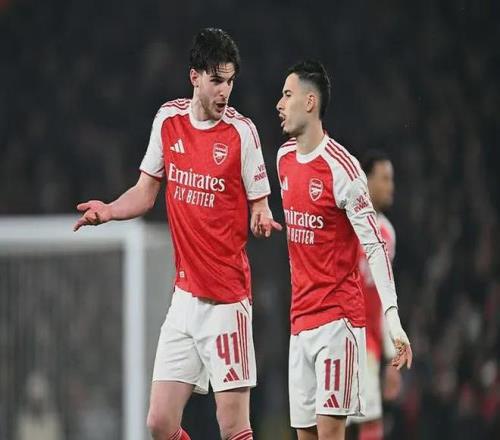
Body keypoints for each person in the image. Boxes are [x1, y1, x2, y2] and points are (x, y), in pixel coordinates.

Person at [74, 28, 281, 440]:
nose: (225, 91)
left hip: (227, 302)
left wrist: (260, 216)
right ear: (194, 77)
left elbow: (260, 203)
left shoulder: (242, 133)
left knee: (233, 427)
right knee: (159, 423)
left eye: (230, 81)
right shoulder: (168, 121)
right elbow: (145, 191)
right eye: (217, 80)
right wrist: (109, 211)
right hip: (184, 301)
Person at [275, 60, 412, 440]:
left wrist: (393, 320)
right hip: (299, 323)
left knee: (332, 433)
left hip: (338, 323)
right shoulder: (283, 159)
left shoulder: (344, 170)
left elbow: (375, 247)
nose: (279, 105)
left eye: (287, 95)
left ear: (310, 102)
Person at [347, 151, 402, 440]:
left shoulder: (387, 233)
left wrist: (392, 356)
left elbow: (384, 297)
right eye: (384, 179)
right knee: (329, 425)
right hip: (337, 333)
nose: (390, 186)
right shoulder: (347, 223)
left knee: (370, 423)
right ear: (366, 181)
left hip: (367, 342)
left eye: (391, 179)